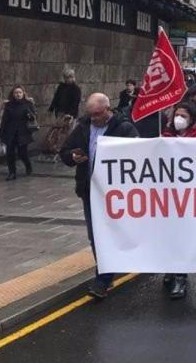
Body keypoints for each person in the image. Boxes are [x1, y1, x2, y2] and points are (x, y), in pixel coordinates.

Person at [59, 93, 139, 299]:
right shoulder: (84, 127)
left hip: (117, 194)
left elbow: (137, 156)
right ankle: (103, 277)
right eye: (90, 114)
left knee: (115, 233)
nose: (93, 118)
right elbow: (65, 151)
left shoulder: (124, 128)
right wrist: (72, 157)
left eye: (96, 114)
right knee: (95, 235)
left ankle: (112, 268)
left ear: (107, 109)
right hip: (90, 190)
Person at [159, 103, 196, 298]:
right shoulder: (166, 136)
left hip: (189, 197)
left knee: (182, 237)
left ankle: (181, 278)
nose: (178, 118)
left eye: (183, 115)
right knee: (169, 236)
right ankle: (171, 268)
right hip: (168, 196)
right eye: (176, 114)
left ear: (191, 119)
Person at [0, 86, 37, 181]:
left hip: (23, 132)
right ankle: (12, 172)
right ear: (13, 94)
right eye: (16, 93)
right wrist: (1, 133)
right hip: (11, 132)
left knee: (22, 153)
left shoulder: (28, 103)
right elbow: (4, 120)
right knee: (10, 153)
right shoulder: (9, 105)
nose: (18, 94)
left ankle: (28, 165)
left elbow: (33, 117)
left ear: (23, 93)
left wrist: (29, 113)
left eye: (20, 92)